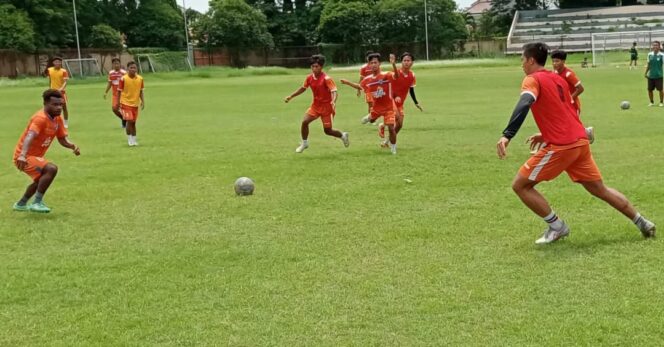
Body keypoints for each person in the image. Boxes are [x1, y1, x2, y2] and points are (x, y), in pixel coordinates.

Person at [496, 42, 655, 244]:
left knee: (521, 186)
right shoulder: (558, 79)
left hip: (562, 146)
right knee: (600, 189)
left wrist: (507, 134)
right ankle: (642, 222)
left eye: (522, 60)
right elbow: (564, 112)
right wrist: (545, 134)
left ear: (530, 60)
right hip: (579, 142)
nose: (521, 64)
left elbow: (525, 102)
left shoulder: (531, 79)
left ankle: (557, 226)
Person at [12, 89, 81, 213]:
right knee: (51, 169)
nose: (59, 108)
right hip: (24, 156)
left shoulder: (57, 119)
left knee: (41, 180)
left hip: (34, 156)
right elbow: (30, 136)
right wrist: (22, 155)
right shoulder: (40, 118)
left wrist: (72, 146)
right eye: (55, 105)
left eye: (60, 104)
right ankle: (37, 203)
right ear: (45, 104)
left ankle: (21, 204)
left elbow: (62, 139)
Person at [284, 54, 349, 153]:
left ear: (321, 67)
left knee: (328, 131)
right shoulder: (309, 78)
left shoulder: (326, 78)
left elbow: (334, 91)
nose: (314, 69)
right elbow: (303, 88)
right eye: (312, 66)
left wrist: (333, 101)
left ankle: (342, 135)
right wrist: (291, 96)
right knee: (305, 121)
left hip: (327, 107)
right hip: (315, 106)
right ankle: (304, 143)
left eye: (316, 66)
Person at [341, 53, 399, 154]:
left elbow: (396, 76)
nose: (373, 65)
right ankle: (370, 117)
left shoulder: (386, 75)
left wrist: (393, 64)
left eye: (375, 62)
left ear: (379, 63)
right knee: (371, 120)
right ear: (369, 64)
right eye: (371, 63)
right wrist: (347, 82)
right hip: (376, 108)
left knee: (391, 127)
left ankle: (393, 148)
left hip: (389, 108)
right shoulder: (367, 79)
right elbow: (360, 86)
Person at [550, 50, 594, 144]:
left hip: (573, 106)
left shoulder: (568, 74)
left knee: (573, 127)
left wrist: (570, 98)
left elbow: (580, 88)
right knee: (561, 124)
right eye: (553, 61)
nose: (554, 63)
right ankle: (557, 143)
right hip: (562, 105)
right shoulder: (555, 73)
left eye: (557, 61)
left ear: (563, 62)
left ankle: (584, 136)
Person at [379, 52, 423, 145]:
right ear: (401, 62)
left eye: (408, 60)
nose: (406, 62)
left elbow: (411, 89)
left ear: (412, 62)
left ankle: (386, 141)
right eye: (404, 60)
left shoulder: (412, 75)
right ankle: (383, 125)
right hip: (390, 100)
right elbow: (391, 80)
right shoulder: (396, 73)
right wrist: (393, 64)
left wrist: (416, 102)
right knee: (397, 118)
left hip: (400, 103)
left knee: (399, 125)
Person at [117, 61, 144, 146]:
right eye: (131, 68)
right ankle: (129, 140)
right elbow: (119, 92)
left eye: (134, 67)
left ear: (137, 69)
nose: (133, 69)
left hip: (135, 104)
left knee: (133, 122)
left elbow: (141, 91)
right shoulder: (123, 79)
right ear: (127, 69)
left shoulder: (140, 79)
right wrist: (118, 102)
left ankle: (134, 139)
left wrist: (143, 101)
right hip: (125, 103)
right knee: (129, 121)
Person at [46, 57, 70, 128]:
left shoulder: (64, 71)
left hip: (61, 93)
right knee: (52, 108)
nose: (57, 63)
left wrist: (61, 89)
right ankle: (53, 122)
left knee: (64, 107)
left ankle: (65, 122)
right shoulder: (49, 70)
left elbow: (65, 82)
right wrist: (49, 89)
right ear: (53, 63)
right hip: (53, 92)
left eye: (59, 62)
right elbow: (50, 80)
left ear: (61, 63)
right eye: (56, 62)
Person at [104, 58, 127, 128]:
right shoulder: (111, 73)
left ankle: (125, 122)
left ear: (120, 64)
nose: (116, 65)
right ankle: (123, 119)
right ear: (112, 65)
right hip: (115, 95)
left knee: (124, 109)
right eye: (114, 64)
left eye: (117, 63)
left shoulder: (124, 73)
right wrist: (106, 92)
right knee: (114, 109)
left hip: (123, 94)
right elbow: (110, 83)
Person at [645, 41, 664, 107]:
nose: (655, 46)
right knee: (649, 89)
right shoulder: (649, 54)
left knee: (660, 89)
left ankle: (661, 102)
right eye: (654, 45)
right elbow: (649, 64)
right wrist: (646, 73)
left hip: (659, 75)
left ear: (659, 46)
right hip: (651, 75)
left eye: (656, 45)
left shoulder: (662, 55)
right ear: (652, 46)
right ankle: (651, 102)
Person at [359, 51, 376, 122]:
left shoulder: (376, 66)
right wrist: (358, 89)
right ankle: (371, 119)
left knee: (376, 104)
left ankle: (372, 117)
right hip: (368, 89)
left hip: (376, 89)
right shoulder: (363, 68)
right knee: (370, 105)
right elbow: (361, 79)